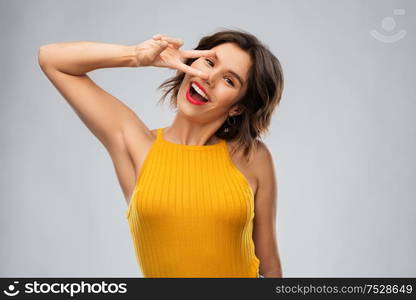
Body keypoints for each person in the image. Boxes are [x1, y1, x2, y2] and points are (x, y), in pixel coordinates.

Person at [38, 29, 284, 278]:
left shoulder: (253, 157)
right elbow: (51, 59)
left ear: (238, 107)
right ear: (191, 62)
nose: (209, 78)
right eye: (209, 62)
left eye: (229, 80)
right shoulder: (137, 145)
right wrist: (136, 56)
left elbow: (270, 268)